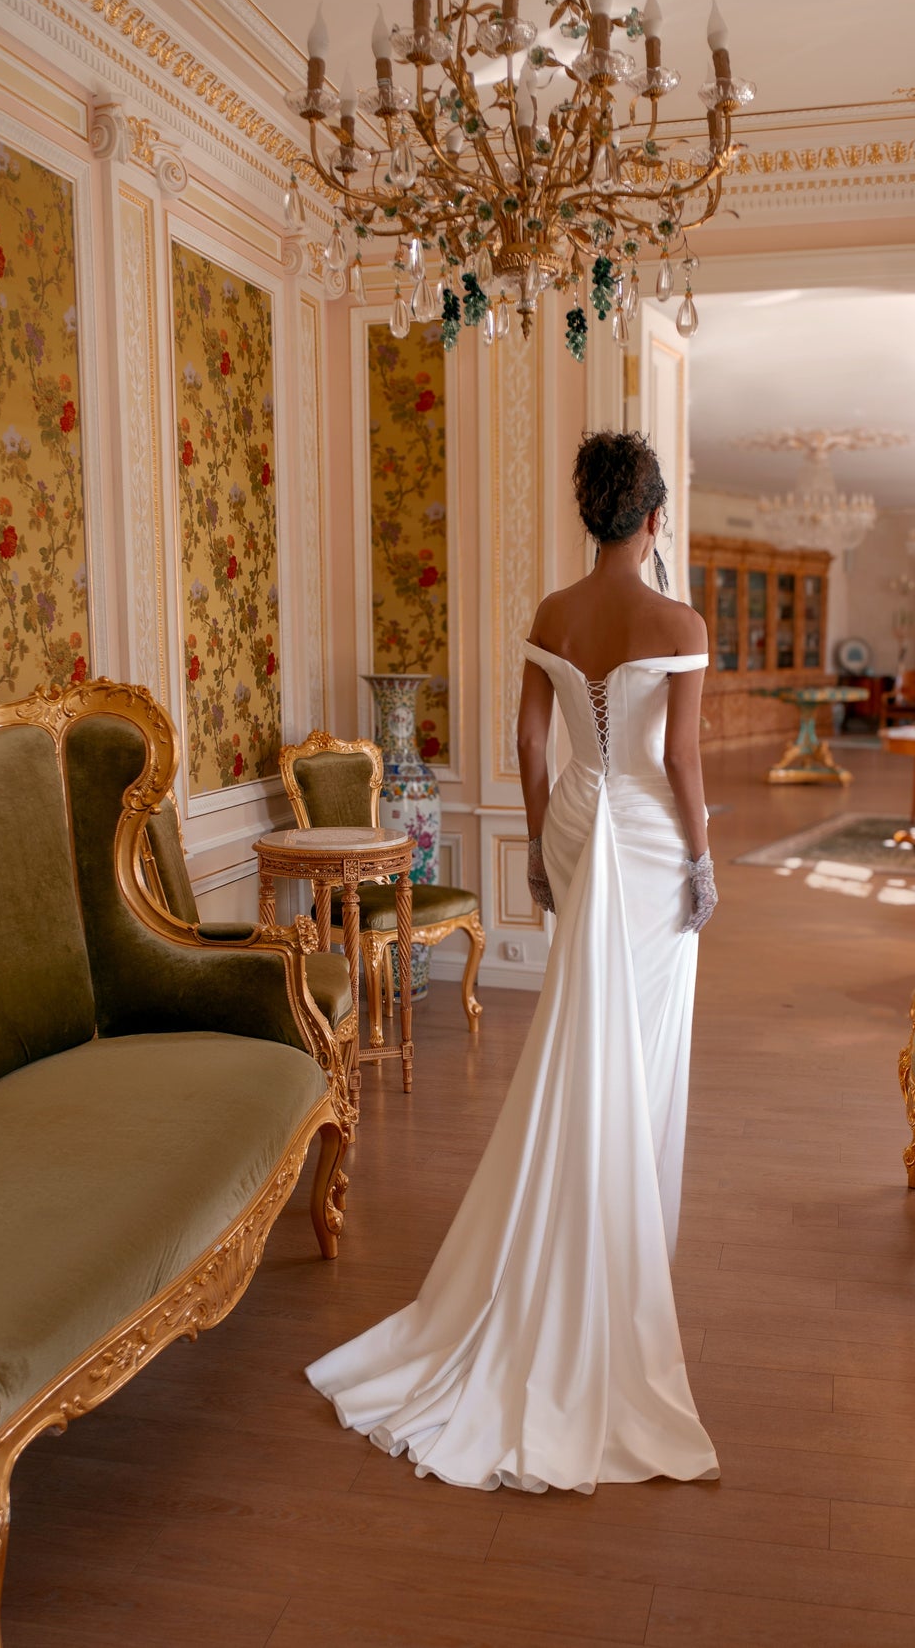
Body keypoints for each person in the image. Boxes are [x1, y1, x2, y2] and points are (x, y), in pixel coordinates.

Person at [306, 430, 719, 1494]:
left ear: (592, 514)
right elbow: (677, 759)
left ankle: (573, 1242)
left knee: (583, 1031)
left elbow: (530, 748)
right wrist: (705, 858)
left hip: (582, 821)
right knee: (636, 1038)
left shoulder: (552, 614)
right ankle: (622, 1255)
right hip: (648, 831)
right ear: (656, 517)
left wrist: (539, 843)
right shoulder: (678, 621)